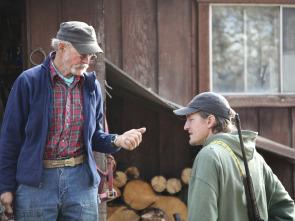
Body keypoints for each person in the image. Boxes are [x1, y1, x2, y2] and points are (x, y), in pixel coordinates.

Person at [0, 21, 146, 220]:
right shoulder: (28, 82)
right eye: (82, 53)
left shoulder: (91, 86)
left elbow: (94, 136)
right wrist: (5, 187)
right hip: (36, 183)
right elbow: (10, 139)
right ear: (62, 47)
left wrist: (117, 140)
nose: (87, 60)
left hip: (81, 182)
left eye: (90, 55)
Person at [173, 92, 295, 221]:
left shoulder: (209, 155)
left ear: (210, 121)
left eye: (191, 119)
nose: (186, 126)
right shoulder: (255, 158)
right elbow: (286, 211)